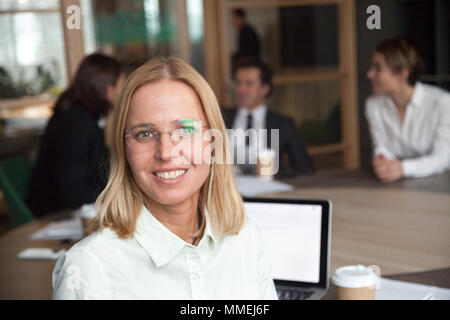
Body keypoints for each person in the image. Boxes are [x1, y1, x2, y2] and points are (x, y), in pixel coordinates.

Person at [52, 57, 278, 300]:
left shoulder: (247, 238)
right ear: (124, 151)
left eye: (185, 130)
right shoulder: (88, 269)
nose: (166, 152)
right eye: (145, 134)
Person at [27, 53, 124, 217]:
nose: (124, 91)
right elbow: (74, 192)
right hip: (56, 217)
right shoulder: (77, 123)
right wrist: (118, 197)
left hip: (66, 211)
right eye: (122, 84)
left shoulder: (78, 116)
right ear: (108, 88)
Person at [365, 37, 450, 182]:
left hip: (440, 184)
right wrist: (382, 159)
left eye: (378, 68)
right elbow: (381, 147)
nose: (369, 74)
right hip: (394, 185)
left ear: (402, 74)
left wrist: (403, 168)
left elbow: (443, 158)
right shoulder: (373, 105)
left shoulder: (442, 103)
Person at [222, 58, 314, 175]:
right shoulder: (220, 116)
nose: (241, 89)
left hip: (268, 190)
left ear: (265, 88)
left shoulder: (283, 123)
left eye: (249, 83)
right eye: (238, 83)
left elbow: (304, 166)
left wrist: (276, 175)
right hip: (226, 189)